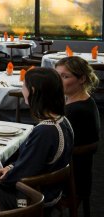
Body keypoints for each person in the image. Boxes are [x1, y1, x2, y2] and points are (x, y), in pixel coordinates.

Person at [0, 67, 74, 211]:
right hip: (51, 190)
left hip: (34, 198)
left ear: (33, 91)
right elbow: (33, 163)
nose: (22, 88)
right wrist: (10, 167)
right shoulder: (62, 121)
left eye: (24, 85)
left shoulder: (45, 131)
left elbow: (24, 173)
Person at [54, 56, 100, 205]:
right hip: (79, 176)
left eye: (65, 76)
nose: (58, 81)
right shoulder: (87, 101)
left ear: (82, 79)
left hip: (67, 181)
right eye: (57, 76)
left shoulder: (75, 111)